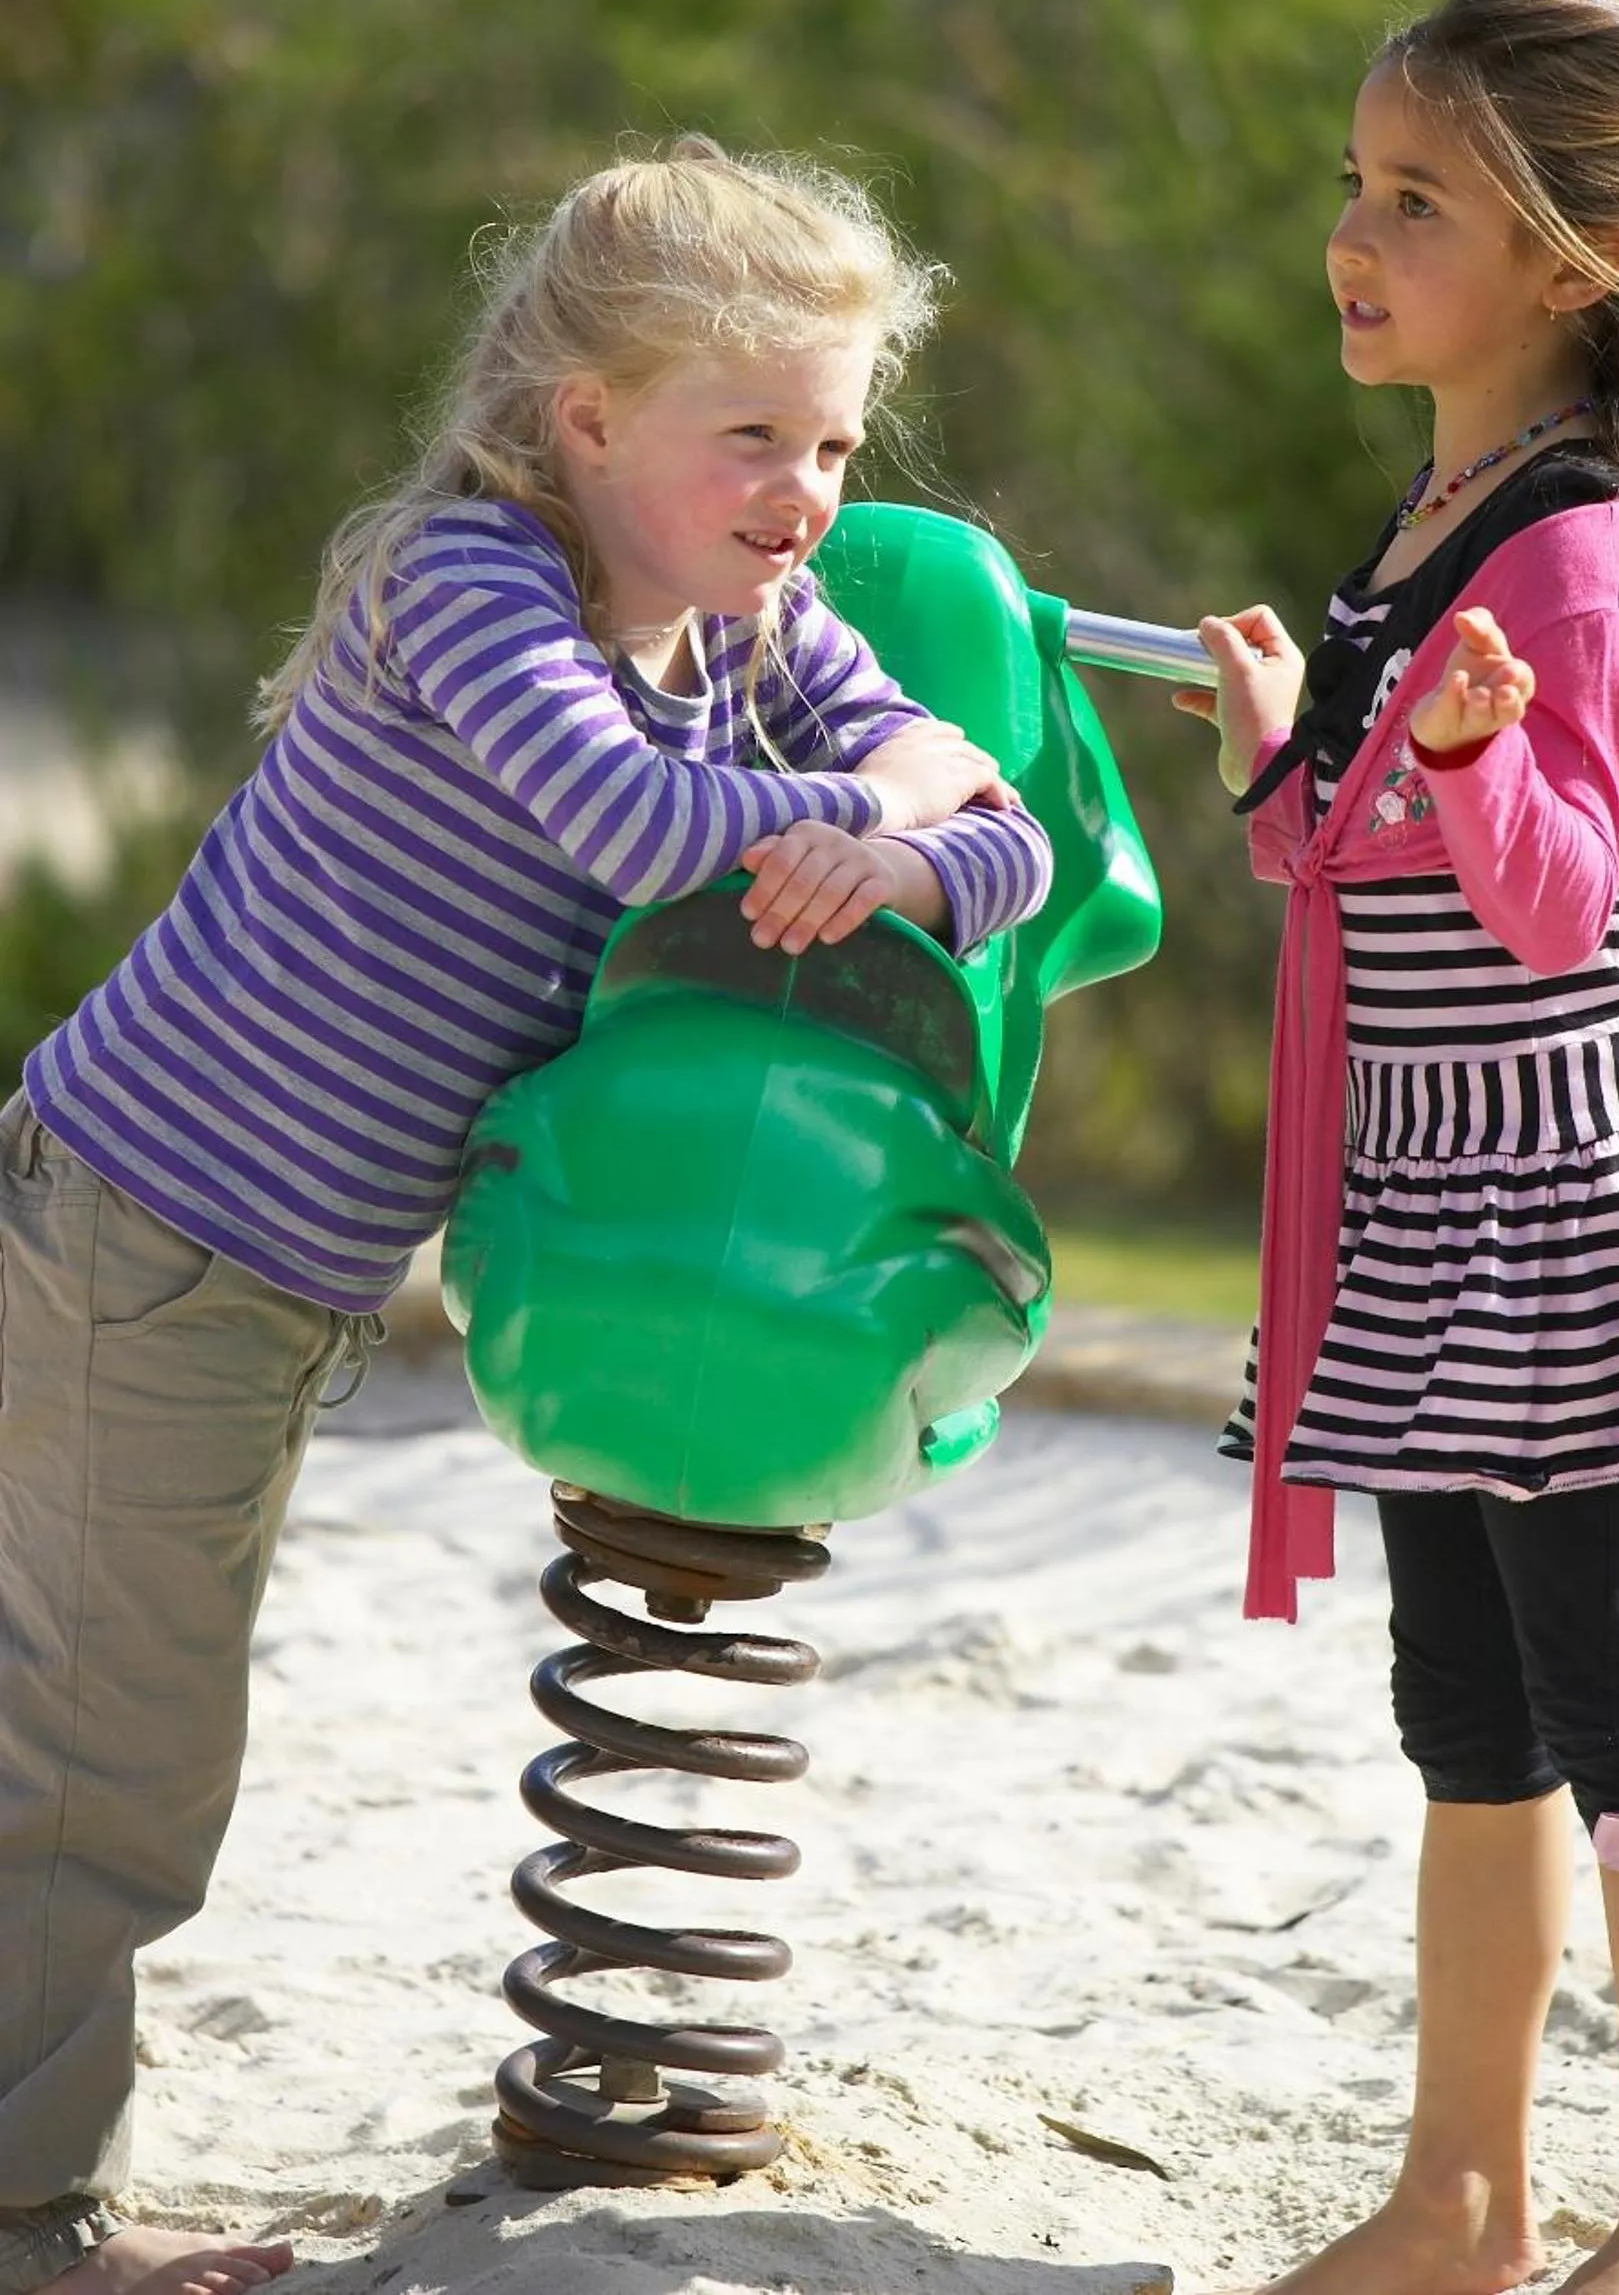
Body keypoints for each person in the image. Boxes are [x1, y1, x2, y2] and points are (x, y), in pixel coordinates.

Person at [0, 137, 1052, 2295]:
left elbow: (1010, 834)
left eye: (835, 440)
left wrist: (918, 847)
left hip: (261, 1275)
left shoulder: (756, 634)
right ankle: (32, 2224)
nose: (803, 487)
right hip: (141, 1231)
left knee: (104, 1723)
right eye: (746, 433)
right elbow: (630, 814)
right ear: (584, 420)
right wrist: (880, 801)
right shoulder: (468, 583)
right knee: (117, 1757)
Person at [1185, 0, 1619, 2295]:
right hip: (1418, 1181)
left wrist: (1454, 762)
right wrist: (1290, 749)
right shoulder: (1431, 511)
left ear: (1576, 255)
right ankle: (1459, 2193)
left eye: (1415, 199)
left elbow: (1563, 909)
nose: (1354, 237)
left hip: (1547, 1185)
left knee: (1612, 1688)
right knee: (1457, 1696)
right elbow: (1344, 862)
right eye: (1352, 186)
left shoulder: (1580, 541)